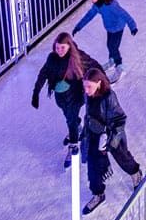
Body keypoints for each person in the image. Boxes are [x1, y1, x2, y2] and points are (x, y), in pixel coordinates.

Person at [79, 68, 143, 212]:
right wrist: (84, 133)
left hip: (112, 133)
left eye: (89, 86)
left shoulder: (109, 97)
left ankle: (135, 172)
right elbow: (88, 115)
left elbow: (120, 119)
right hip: (94, 133)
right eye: (85, 86)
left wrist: (112, 141)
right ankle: (98, 194)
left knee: (122, 157)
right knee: (93, 166)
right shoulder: (88, 95)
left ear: (99, 83)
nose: (86, 90)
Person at [31, 32, 99, 164]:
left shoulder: (78, 56)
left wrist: (101, 83)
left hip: (75, 95)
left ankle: (73, 146)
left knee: (71, 120)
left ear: (69, 46)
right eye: (57, 47)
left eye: (63, 47)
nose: (60, 51)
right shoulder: (52, 59)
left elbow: (95, 66)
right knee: (69, 117)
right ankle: (77, 126)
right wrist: (36, 92)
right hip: (60, 96)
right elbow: (43, 73)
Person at [73, 0, 139, 75]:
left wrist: (132, 27)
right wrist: (78, 27)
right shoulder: (97, 6)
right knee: (109, 44)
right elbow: (89, 16)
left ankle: (119, 65)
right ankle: (112, 60)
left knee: (113, 46)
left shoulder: (112, 5)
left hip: (118, 27)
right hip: (109, 27)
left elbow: (124, 14)